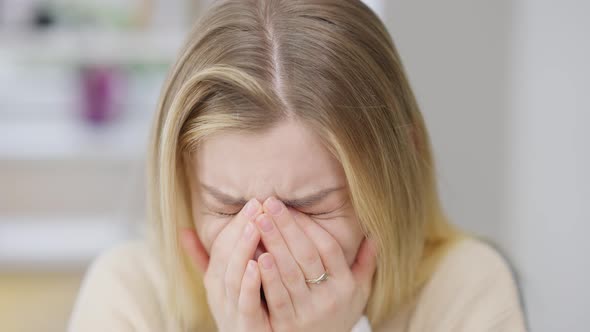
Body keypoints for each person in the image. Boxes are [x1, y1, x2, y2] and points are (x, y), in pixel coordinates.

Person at [68, 0, 527, 331]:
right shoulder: (129, 293)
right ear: (183, 180)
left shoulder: (464, 288)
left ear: (396, 170)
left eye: (310, 207)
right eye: (228, 207)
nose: (265, 248)